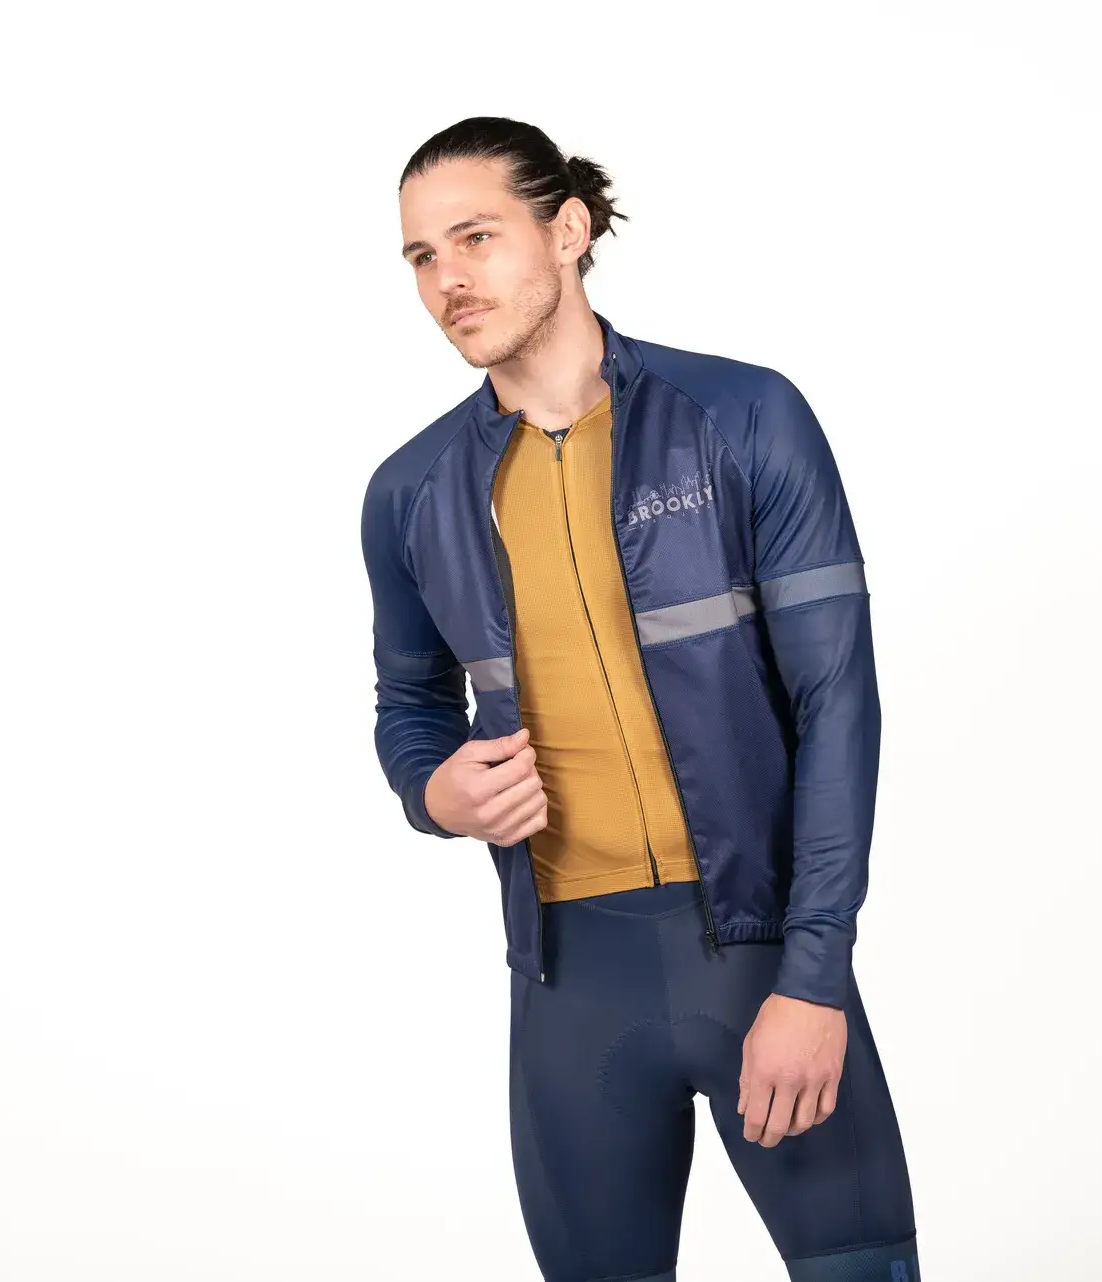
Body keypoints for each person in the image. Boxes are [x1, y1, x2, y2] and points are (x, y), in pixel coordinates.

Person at [362, 116, 921, 1282]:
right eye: (421, 254)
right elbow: (409, 705)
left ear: (567, 230)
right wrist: (433, 790)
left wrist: (814, 977)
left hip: (760, 958)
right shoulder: (411, 492)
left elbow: (837, 704)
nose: (448, 277)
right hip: (570, 990)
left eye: (476, 236)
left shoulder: (744, 417)